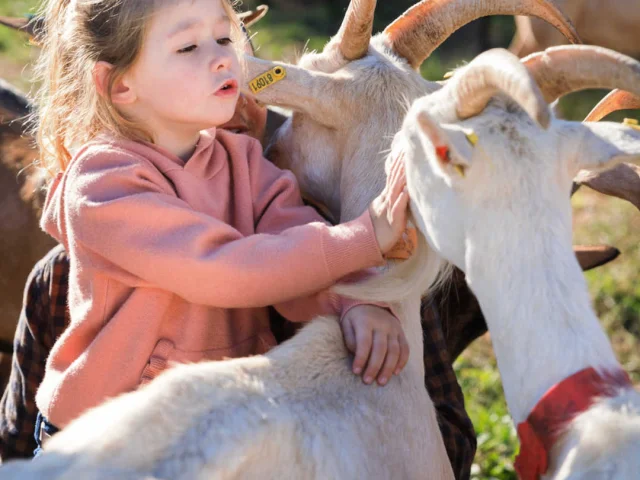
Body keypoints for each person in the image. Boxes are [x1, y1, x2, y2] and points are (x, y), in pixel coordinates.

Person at [0, 4, 479, 479]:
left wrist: (351, 300)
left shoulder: (243, 162)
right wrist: (364, 237)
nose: (223, 58)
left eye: (225, 40)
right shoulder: (102, 183)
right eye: (188, 47)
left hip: (218, 435)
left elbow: (291, 235)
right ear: (121, 85)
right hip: (103, 443)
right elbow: (223, 269)